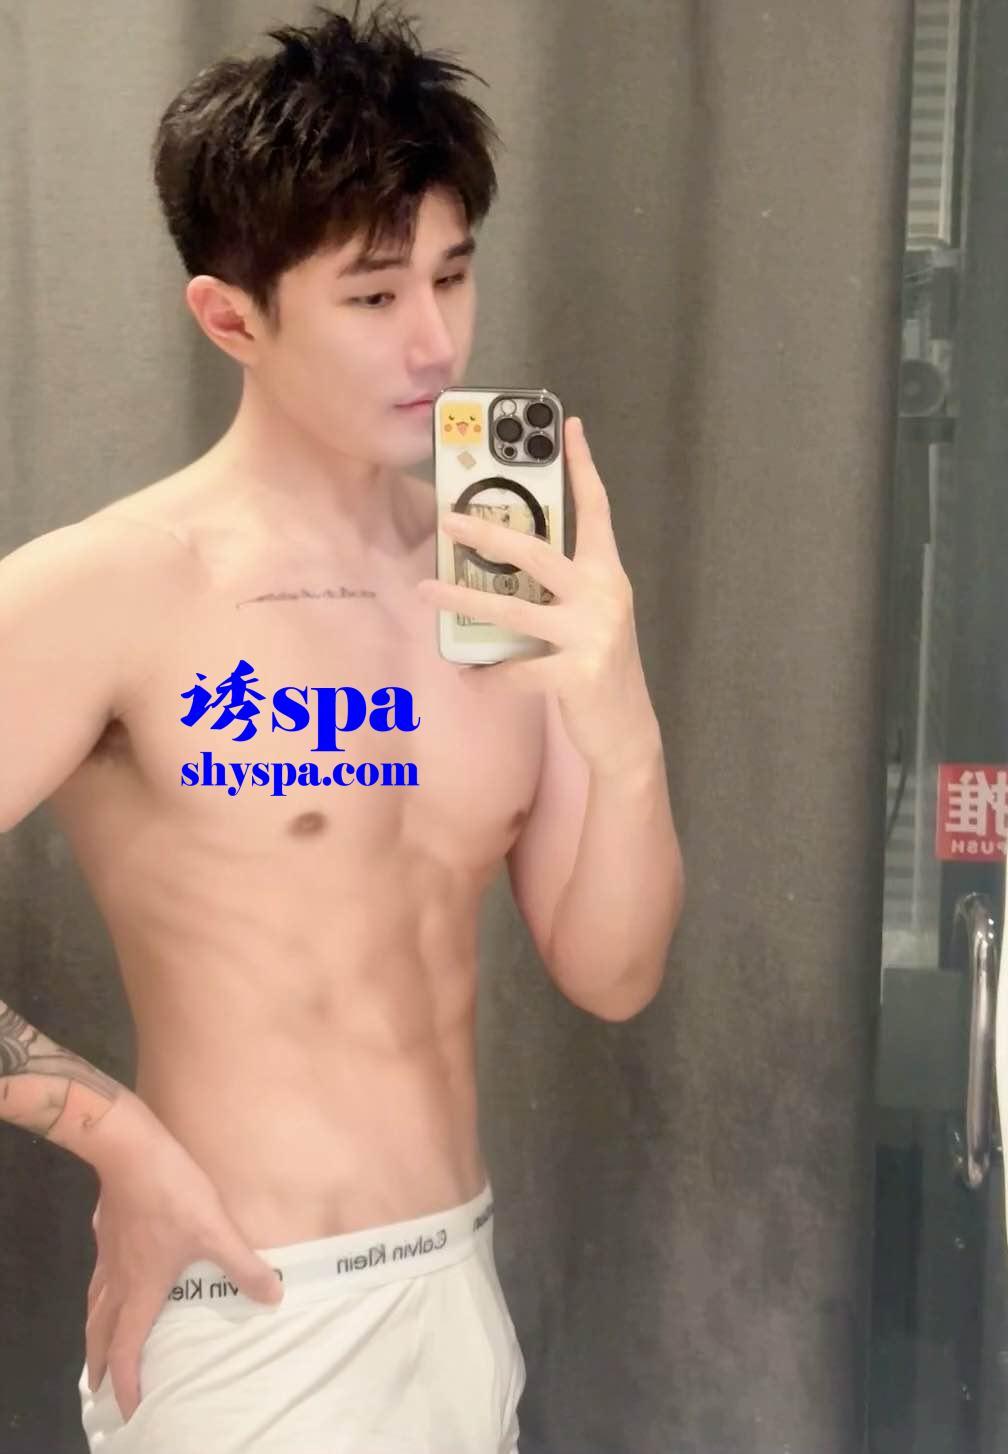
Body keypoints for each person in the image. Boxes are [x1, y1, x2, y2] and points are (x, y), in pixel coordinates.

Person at [0, 4, 684, 1450]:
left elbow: (615, 973)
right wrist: (108, 1134)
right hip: (252, 1309)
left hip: (458, 1291)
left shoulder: (504, 572)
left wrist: (620, 719)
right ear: (230, 317)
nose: (436, 342)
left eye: (454, 274)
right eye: (374, 297)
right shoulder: (115, 587)